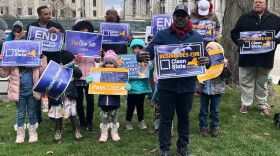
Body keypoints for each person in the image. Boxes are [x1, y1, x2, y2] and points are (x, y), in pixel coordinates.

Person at [137, 4, 209, 156]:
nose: (180, 18)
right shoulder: (163, 35)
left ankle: (183, 147)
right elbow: (148, 52)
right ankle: (164, 149)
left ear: (188, 17)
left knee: (184, 118)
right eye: (177, 15)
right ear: (173, 17)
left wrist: (207, 61)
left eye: (183, 15)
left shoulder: (196, 37)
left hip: (187, 86)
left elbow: (206, 58)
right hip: (167, 87)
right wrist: (140, 56)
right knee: (166, 119)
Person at [231, 0, 280, 115]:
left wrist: (277, 40)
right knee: (246, 81)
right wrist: (238, 40)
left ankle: (262, 104)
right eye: (255, 2)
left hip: (266, 57)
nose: (257, 4)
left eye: (260, 2)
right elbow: (234, 33)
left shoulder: (275, 19)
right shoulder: (244, 18)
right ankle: (246, 104)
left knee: (262, 82)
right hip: (247, 57)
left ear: (265, 4)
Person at [26, 5, 65, 124]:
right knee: (38, 89)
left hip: (53, 62)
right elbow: (29, 43)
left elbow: (64, 38)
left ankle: (54, 115)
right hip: (38, 62)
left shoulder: (56, 25)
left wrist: (57, 32)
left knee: (53, 89)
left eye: (49, 13)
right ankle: (38, 117)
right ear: (39, 15)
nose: (48, 16)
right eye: (45, 14)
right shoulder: (31, 26)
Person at [0, 53, 47, 143]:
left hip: (32, 92)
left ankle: (33, 132)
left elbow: (42, 70)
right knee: (20, 113)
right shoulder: (12, 62)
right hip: (19, 94)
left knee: (31, 113)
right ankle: (20, 133)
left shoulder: (34, 63)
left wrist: (43, 58)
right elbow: (3, 73)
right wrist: (1, 62)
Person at [86, 50, 131, 142]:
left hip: (114, 100)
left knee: (114, 116)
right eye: (107, 63)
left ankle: (114, 132)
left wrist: (127, 86)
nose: (108, 65)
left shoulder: (119, 74)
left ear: (115, 64)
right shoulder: (100, 73)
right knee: (104, 116)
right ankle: (104, 132)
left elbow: (124, 85)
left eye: (111, 63)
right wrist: (90, 81)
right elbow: (94, 84)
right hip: (103, 99)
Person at [48, 50, 83, 141]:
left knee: (72, 114)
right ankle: (58, 132)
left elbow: (79, 74)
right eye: (71, 60)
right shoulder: (56, 68)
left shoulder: (72, 67)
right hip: (58, 95)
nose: (73, 61)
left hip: (69, 95)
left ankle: (77, 131)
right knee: (58, 115)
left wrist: (72, 67)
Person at [198, 42, 231, 137]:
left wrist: (225, 66)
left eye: (211, 48)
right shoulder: (203, 61)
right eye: (207, 48)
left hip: (216, 91)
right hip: (204, 91)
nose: (208, 50)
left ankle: (214, 127)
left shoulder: (221, 62)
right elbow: (198, 76)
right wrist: (198, 86)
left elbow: (227, 76)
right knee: (203, 110)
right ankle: (203, 128)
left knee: (215, 111)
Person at [72, 20, 96, 131]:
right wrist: (75, 60)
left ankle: (89, 121)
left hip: (90, 76)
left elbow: (98, 59)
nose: (85, 34)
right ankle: (82, 121)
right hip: (78, 76)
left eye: (87, 32)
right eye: (82, 32)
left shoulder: (94, 44)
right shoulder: (73, 44)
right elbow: (70, 62)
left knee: (90, 100)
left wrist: (100, 53)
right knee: (79, 101)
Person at [125, 39, 152, 131]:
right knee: (130, 106)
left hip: (141, 87)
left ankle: (141, 120)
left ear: (143, 49)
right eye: (135, 48)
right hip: (131, 87)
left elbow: (150, 70)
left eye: (139, 48)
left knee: (140, 106)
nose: (137, 49)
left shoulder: (146, 60)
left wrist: (148, 63)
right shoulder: (128, 59)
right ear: (132, 49)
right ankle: (128, 121)